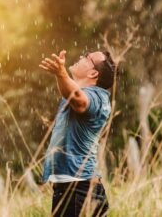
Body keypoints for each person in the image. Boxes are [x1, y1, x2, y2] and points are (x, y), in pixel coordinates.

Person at [39, 50, 115, 217]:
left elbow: (79, 101)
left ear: (93, 73)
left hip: (78, 191)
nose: (81, 56)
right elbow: (71, 94)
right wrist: (60, 75)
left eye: (87, 57)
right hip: (76, 189)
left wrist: (61, 73)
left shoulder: (97, 97)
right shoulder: (82, 94)